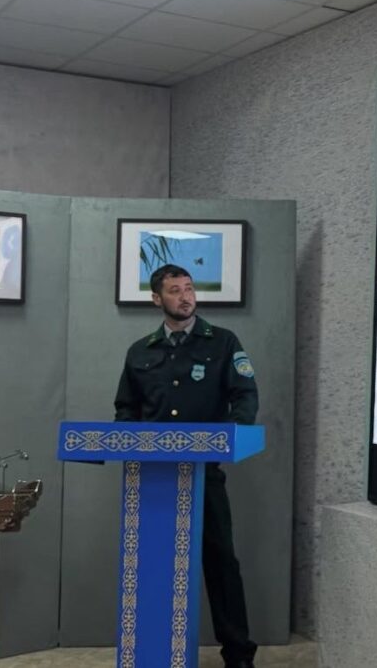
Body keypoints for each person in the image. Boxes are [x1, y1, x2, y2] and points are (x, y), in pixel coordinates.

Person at [114, 263, 258, 668]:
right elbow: (125, 409)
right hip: (152, 479)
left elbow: (245, 396)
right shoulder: (140, 351)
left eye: (189, 288)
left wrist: (230, 436)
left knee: (221, 563)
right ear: (157, 299)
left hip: (203, 474)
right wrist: (128, 440)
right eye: (175, 290)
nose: (185, 297)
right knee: (154, 565)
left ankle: (239, 656)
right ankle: (153, 652)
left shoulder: (223, 342)